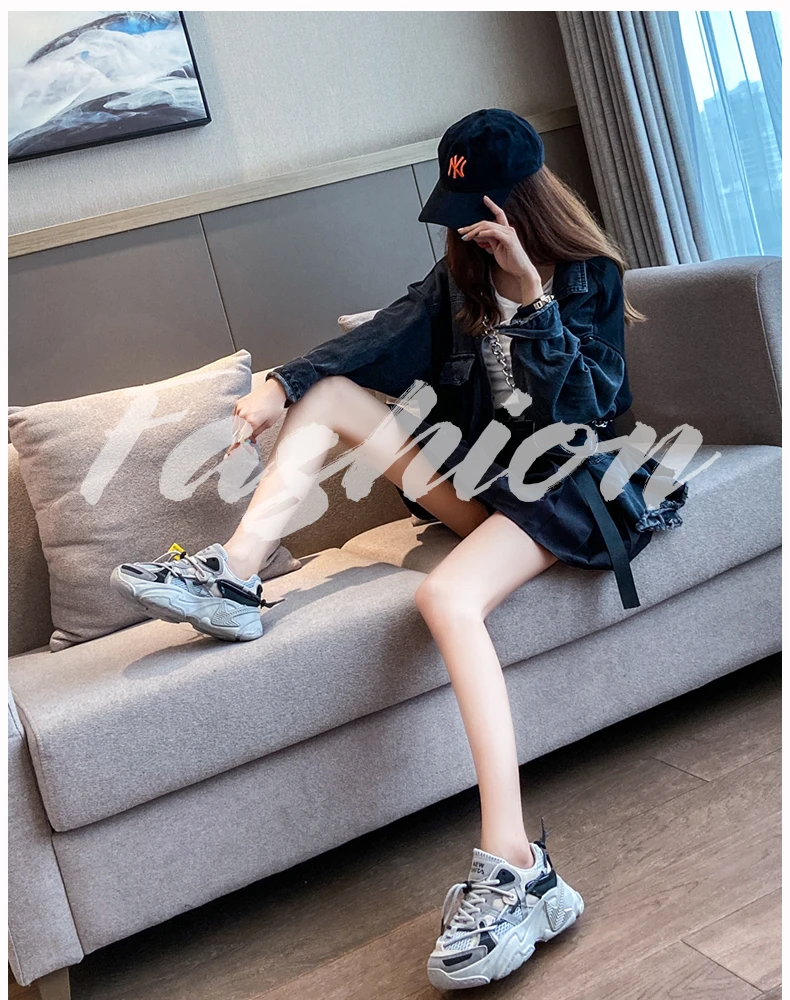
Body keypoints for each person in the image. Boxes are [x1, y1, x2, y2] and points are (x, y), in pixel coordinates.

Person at [111, 109, 688, 990]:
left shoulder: (588, 278)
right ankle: (233, 577)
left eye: (476, 213)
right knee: (331, 393)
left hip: (568, 488)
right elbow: (375, 341)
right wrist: (279, 385)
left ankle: (519, 867)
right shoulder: (455, 278)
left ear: (518, 203)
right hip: (488, 486)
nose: (464, 232)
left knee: (445, 598)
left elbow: (583, 410)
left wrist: (530, 296)